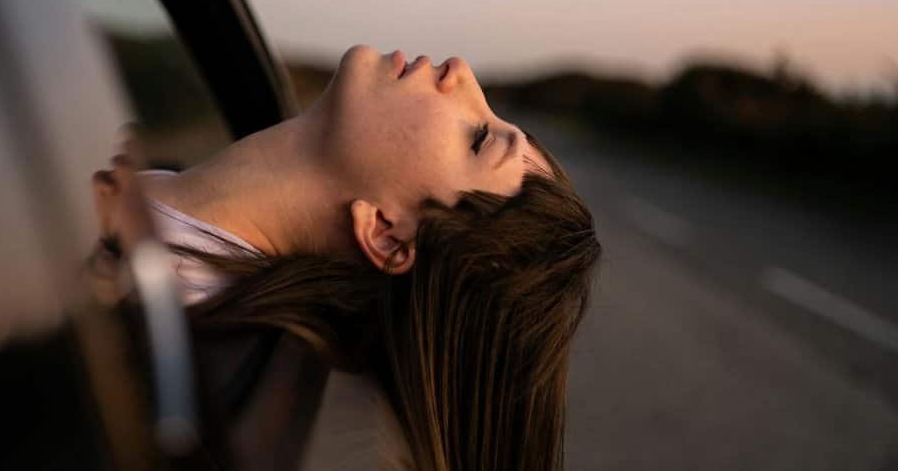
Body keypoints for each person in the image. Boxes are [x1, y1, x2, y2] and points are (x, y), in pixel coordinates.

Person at [93, 45, 601, 471]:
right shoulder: (156, 253)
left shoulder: (136, 313)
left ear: (385, 234)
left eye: (479, 138)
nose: (462, 73)